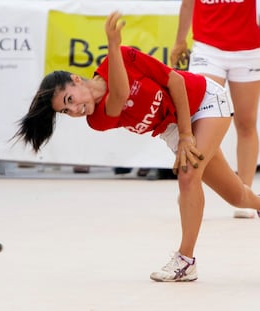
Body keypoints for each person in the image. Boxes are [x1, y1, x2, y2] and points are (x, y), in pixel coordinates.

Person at [13, 12, 260, 282]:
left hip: (204, 100)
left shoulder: (125, 56)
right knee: (237, 196)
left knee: (188, 177)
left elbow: (175, 81)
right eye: (67, 110)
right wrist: (113, 46)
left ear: (76, 79)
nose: (75, 109)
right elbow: (119, 96)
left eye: (70, 99)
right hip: (174, 130)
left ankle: (186, 261)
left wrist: (188, 134)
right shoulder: (97, 119)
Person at [170, 0, 260, 219]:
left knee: (246, 122)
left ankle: (244, 193)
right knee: (201, 120)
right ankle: (191, 185)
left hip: (249, 50)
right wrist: (180, 41)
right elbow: (188, 4)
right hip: (207, 49)